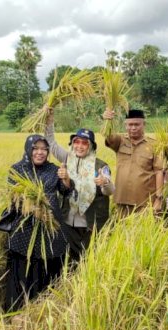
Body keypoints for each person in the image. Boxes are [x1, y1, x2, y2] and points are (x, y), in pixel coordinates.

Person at [4, 135, 72, 312]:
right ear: (28, 149)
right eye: (36, 148)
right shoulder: (17, 169)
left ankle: (43, 311)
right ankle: (17, 312)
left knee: (46, 267)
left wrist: (65, 179)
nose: (40, 152)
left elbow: (66, 192)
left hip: (50, 229)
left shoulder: (53, 169)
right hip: (23, 231)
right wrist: (37, 211)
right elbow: (14, 198)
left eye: (44, 149)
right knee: (23, 270)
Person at [43, 109, 114, 262]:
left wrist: (105, 182)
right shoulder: (68, 158)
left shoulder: (101, 165)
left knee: (92, 259)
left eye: (84, 143)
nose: (80, 146)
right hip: (69, 221)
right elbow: (51, 142)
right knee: (71, 260)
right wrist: (49, 119)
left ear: (91, 146)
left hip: (92, 223)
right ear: (72, 143)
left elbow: (110, 191)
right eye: (77, 142)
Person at [103, 109, 164, 217]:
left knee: (144, 232)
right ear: (125, 125)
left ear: (144, 124)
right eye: (130, 125)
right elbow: (108, 136)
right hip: (122, 200)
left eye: (137, 124)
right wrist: (108, 121)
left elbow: (159, 172)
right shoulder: (120, 141)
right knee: (121, 231)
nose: (133, 128)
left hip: (145, 202)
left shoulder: (154, 145)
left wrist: (159, 199)